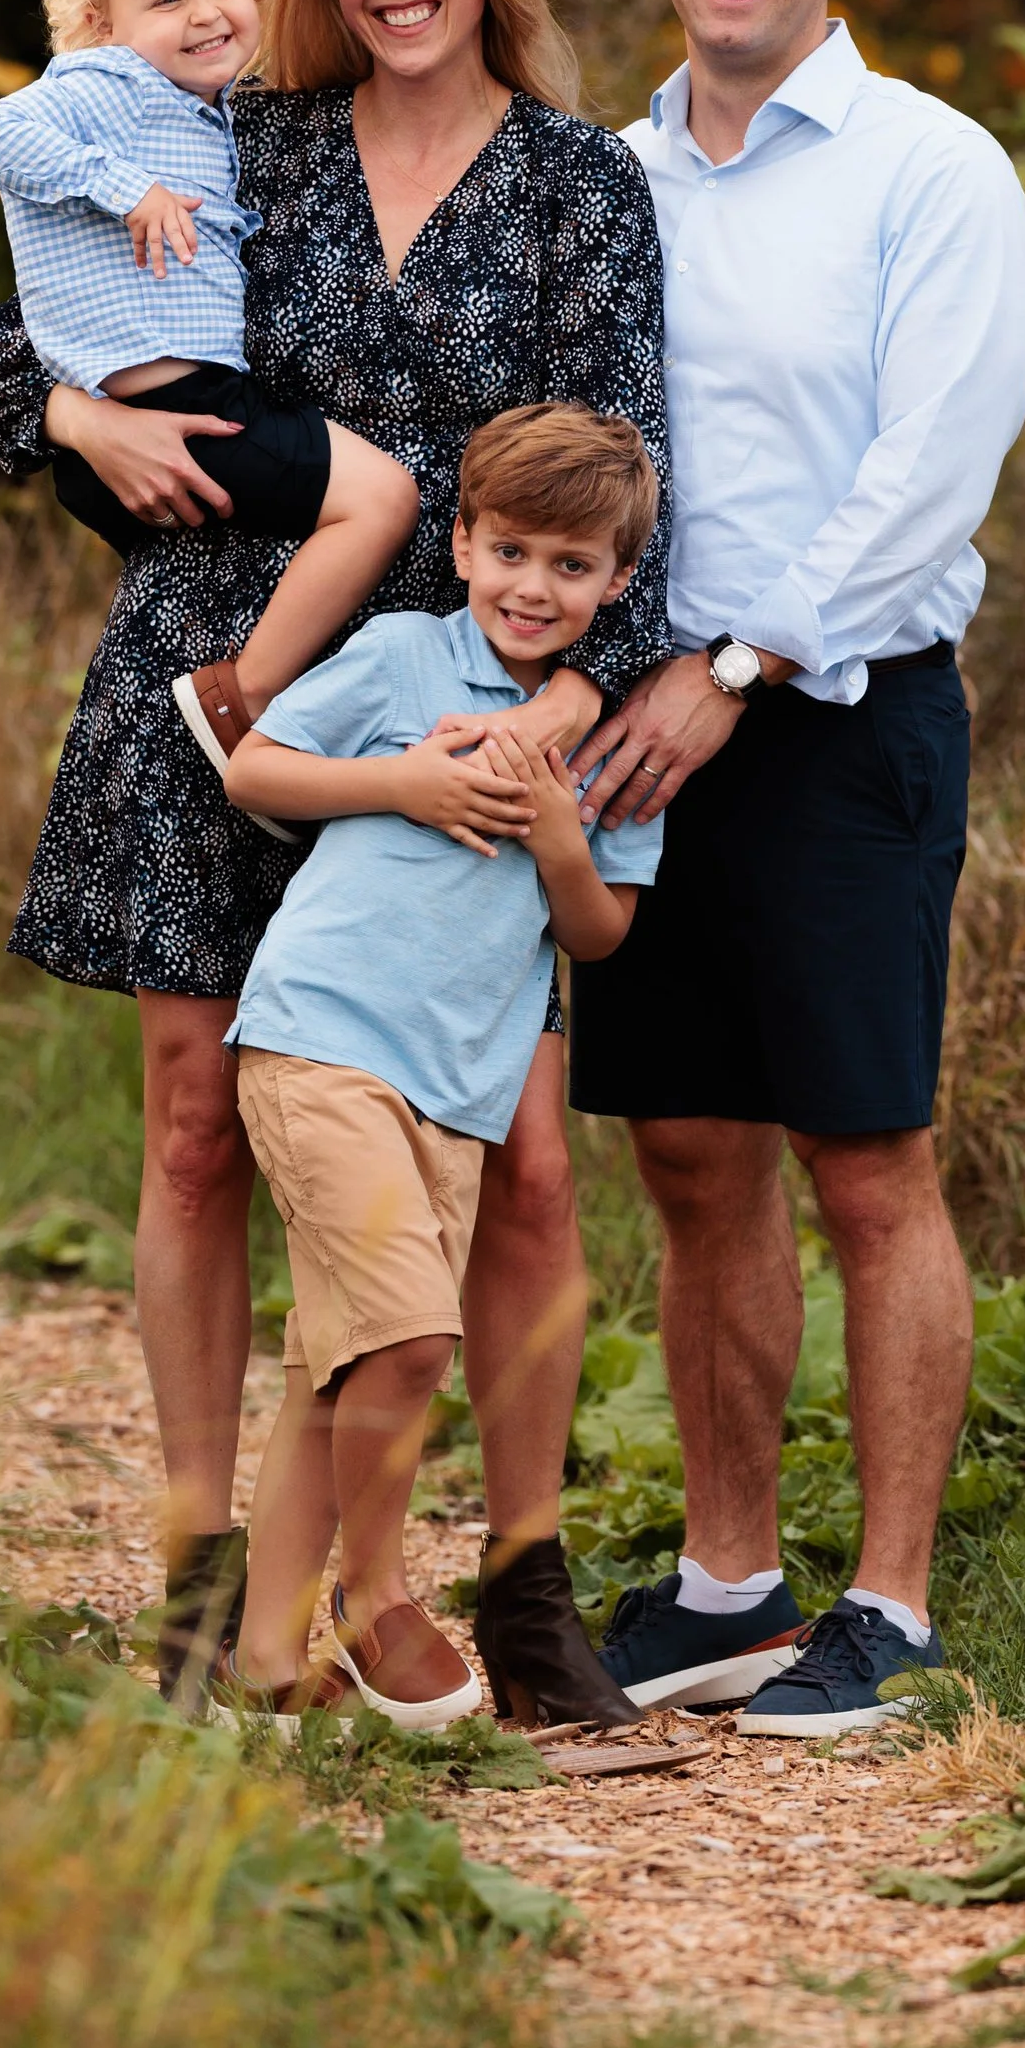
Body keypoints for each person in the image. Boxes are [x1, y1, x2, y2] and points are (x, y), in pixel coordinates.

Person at [0, 0, 670, 1740]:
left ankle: (515, 1580)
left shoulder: (577, 188)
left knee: (517, 1156)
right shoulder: (244, 129)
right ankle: (209, 1572)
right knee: (199, 1120)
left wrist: (561, 719)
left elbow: (632, 470)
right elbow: (1, 313)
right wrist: (65, 406)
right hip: (217, 680)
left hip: (472, 706)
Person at [567, 0, 1025, 1735]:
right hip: (637, 728)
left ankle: (894, 1609)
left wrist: (738, 664)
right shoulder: (607, 173)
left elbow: (927, 469)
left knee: (865, 1154)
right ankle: (726, 1583)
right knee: (686, 1149)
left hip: (838, 716)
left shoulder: (930, 169)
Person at [219, 406, 664, 1725]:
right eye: (512, 551)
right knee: (411, 1340)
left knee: (340, 1367)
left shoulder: (602, 742)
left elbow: (599, 932)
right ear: (462, 544)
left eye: (573, 566)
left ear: (617, 582)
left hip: (460, 1090)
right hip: (322, 1037)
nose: (535, 587)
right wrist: (403, 786)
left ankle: (260, 1681)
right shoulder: (406, 658)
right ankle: (372, 1596)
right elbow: (256, 766)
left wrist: (556, 838)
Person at [0, 0, 418, 821]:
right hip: (169, 412)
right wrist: (118, 187)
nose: (206, 15)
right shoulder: (109, 87)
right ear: (99, 20)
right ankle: (239, 706)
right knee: (382, 499)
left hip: (171, 418)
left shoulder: (215, 112)